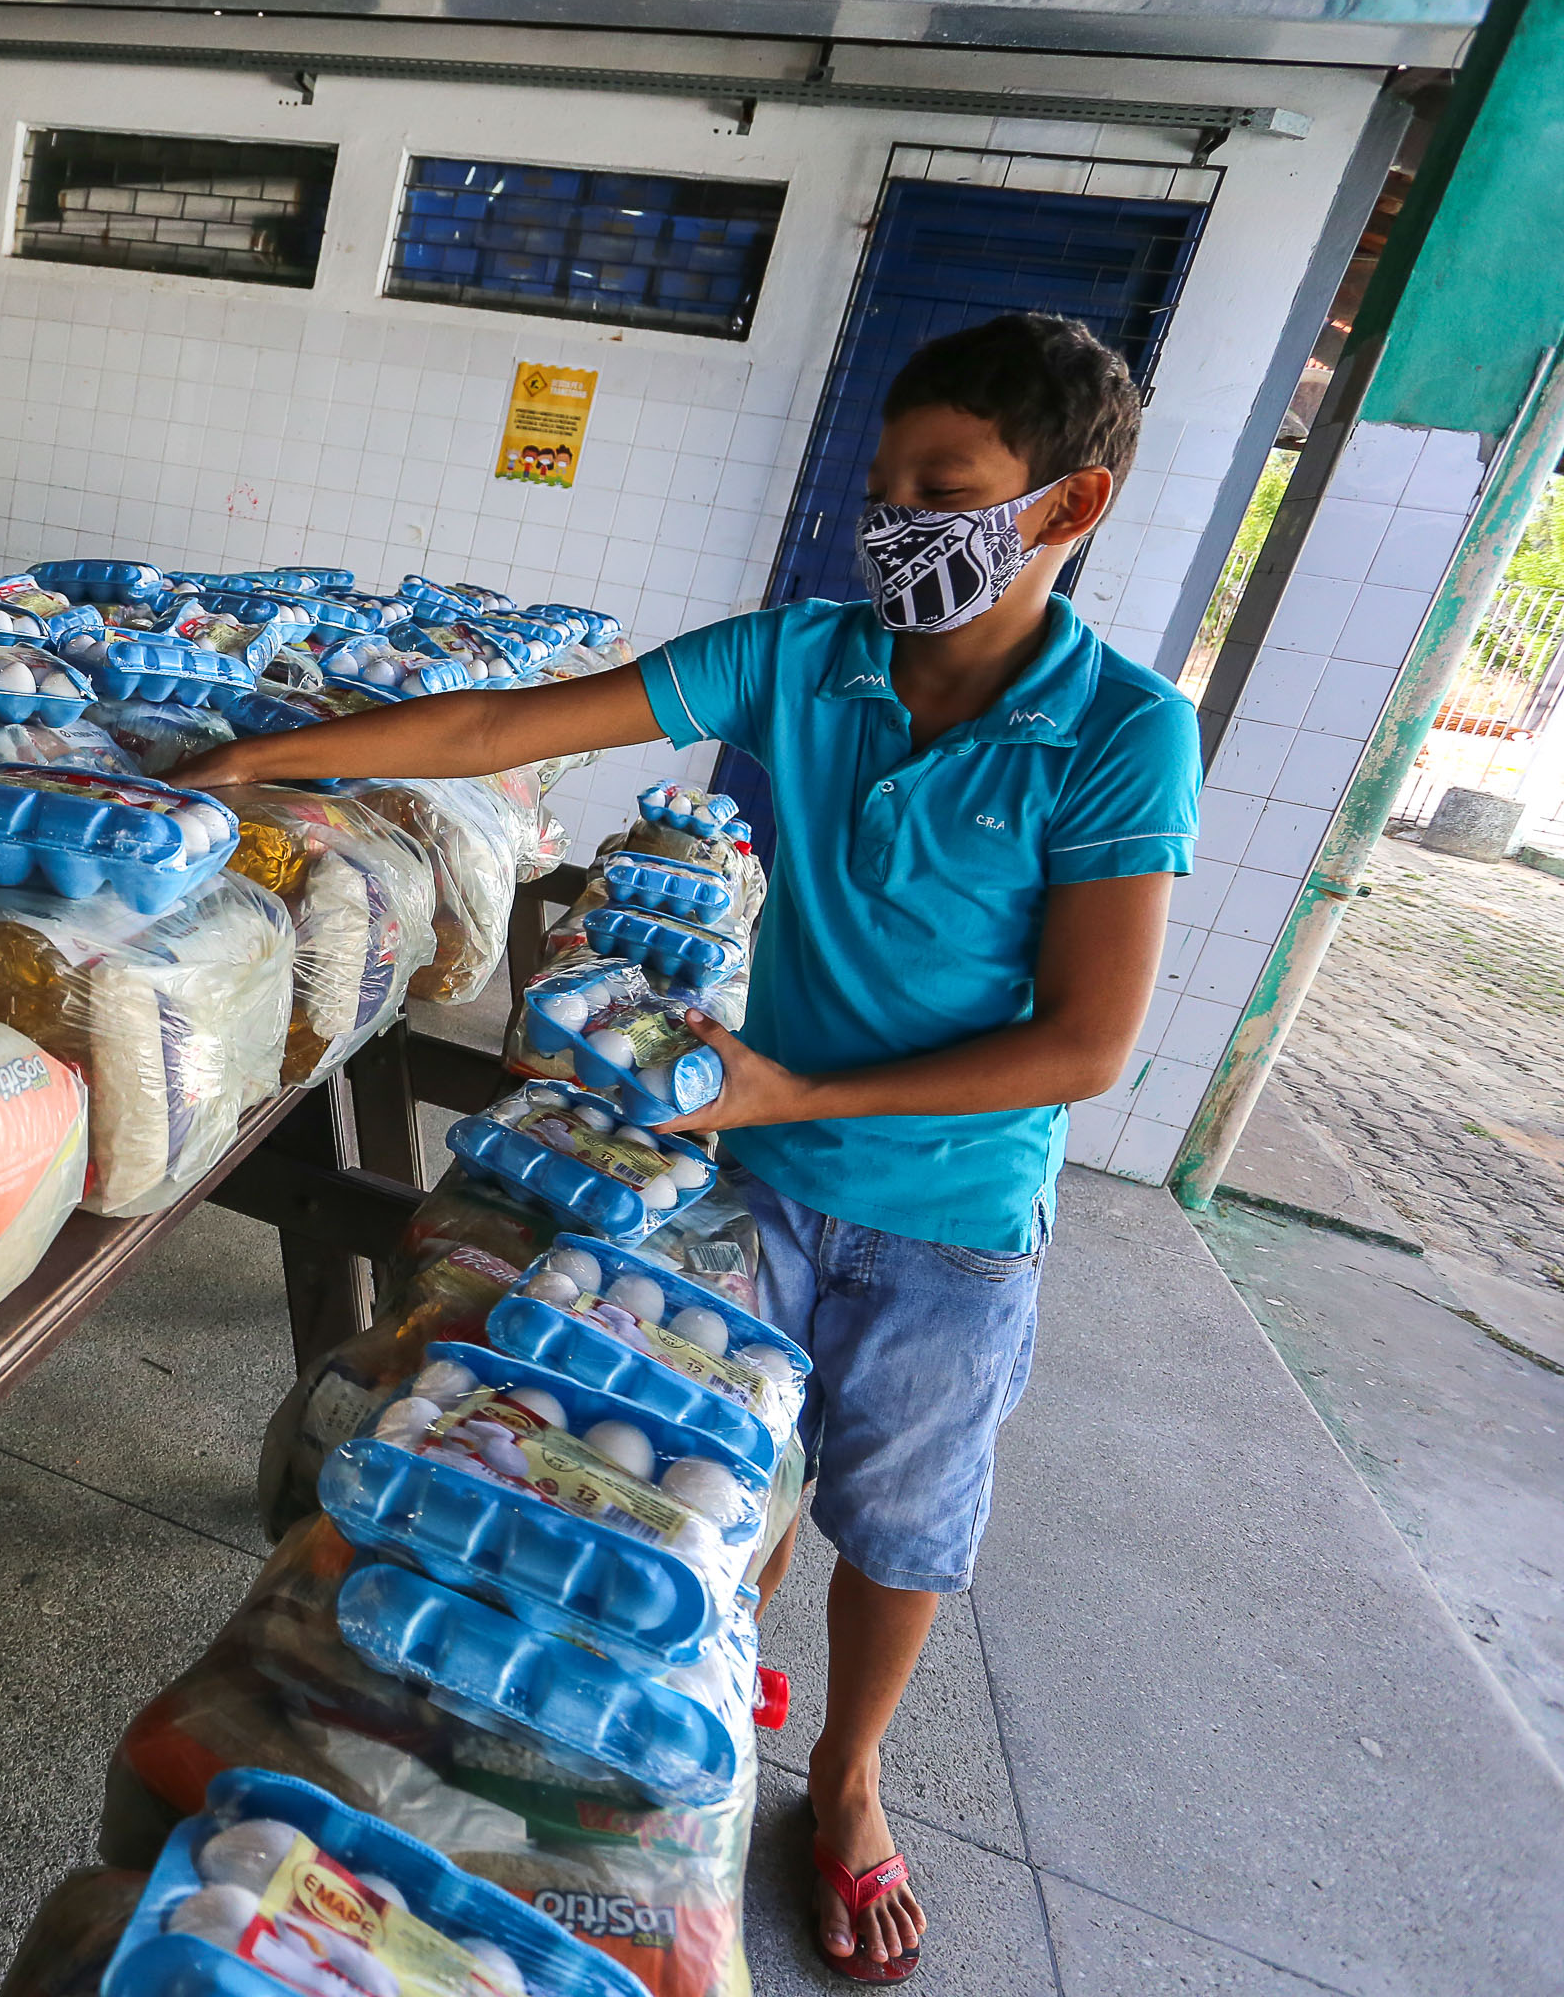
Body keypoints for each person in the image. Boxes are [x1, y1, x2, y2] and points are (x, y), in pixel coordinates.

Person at [173, 311, 1201, 1984]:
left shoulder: (1118, 732)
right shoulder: (804, 658)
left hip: (947, 1219)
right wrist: (264, 758)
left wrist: (791, 1094)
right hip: (753, 1187)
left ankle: (849, 1778)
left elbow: (1085, 1042)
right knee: (700, 1483)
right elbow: (510, 731)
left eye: (945, 487)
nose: (894, 521)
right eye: (885, 483)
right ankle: (704, 1682)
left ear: (1066, 510)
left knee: (903, 1523)